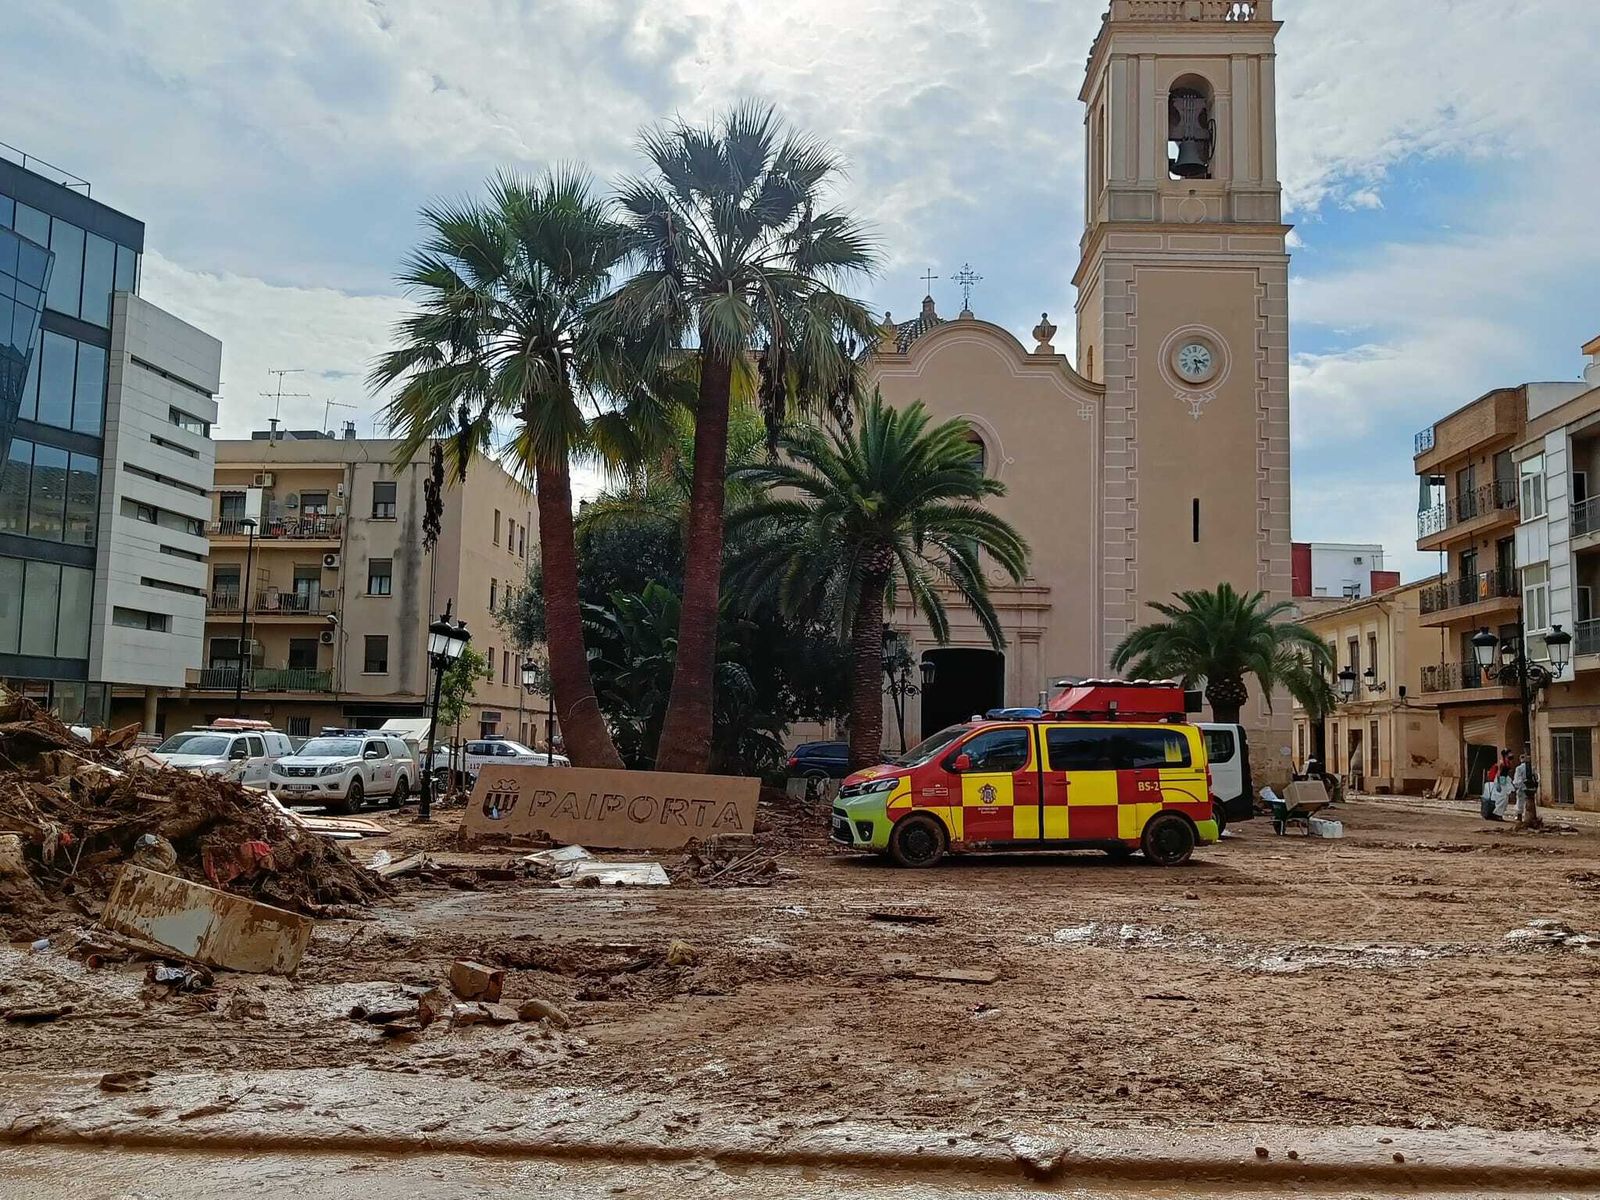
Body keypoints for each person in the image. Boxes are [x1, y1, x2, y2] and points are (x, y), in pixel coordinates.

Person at [1512, 752, 1538, 822]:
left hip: (1522, 787)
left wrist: (1517, 785)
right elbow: (1536, 777)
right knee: (1530, 803)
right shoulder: (1532, 768)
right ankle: (1531, 817)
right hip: (1530, 788)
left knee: (1520, 802)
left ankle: (1519, 817)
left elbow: (1517, 779)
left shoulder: (1519, 768)